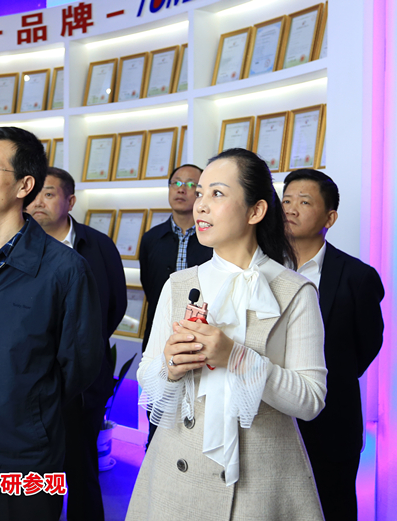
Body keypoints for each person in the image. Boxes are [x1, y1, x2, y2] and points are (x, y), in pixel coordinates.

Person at [127, 148, 328, 520]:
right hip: (176, 475)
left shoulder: (294, 291)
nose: (200, 205)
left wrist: (235, 357)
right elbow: (148, 380)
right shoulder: (178, 284)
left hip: (259, 482)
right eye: (200, 193)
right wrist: (170, 368)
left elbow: (311, 400)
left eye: (217, 193)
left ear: (256, 211)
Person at [0, 127, 103, 521]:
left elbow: (79, 365)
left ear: (25, 185)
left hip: (23, 460)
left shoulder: (64, 268)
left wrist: (28, 412)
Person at [283, 169, 384, 521]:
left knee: (332, 509)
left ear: (330, 218)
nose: (291, 209)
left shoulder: (357, 277)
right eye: (286, 201)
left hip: (330, 425)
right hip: (271, 421)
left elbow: (366, 345)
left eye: (304, 202)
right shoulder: (261, 269)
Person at [27, 167, 126, 521]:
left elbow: (115, 305)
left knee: (82, 466)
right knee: (36, 472)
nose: (38, 202)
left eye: (49, 193)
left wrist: (84, 349)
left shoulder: (97, 245)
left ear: (69, 201)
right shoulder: (18, 245)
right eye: (33, 194)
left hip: (82, 381)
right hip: (30, 378)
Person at [138, 163, 212, 447]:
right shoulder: (151, 238)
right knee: (158, 424)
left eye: (191, 184)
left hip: (203, 341)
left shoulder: (213, 239)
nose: (182, 189)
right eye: (176, 183)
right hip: (160, 339)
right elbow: (150, 287)